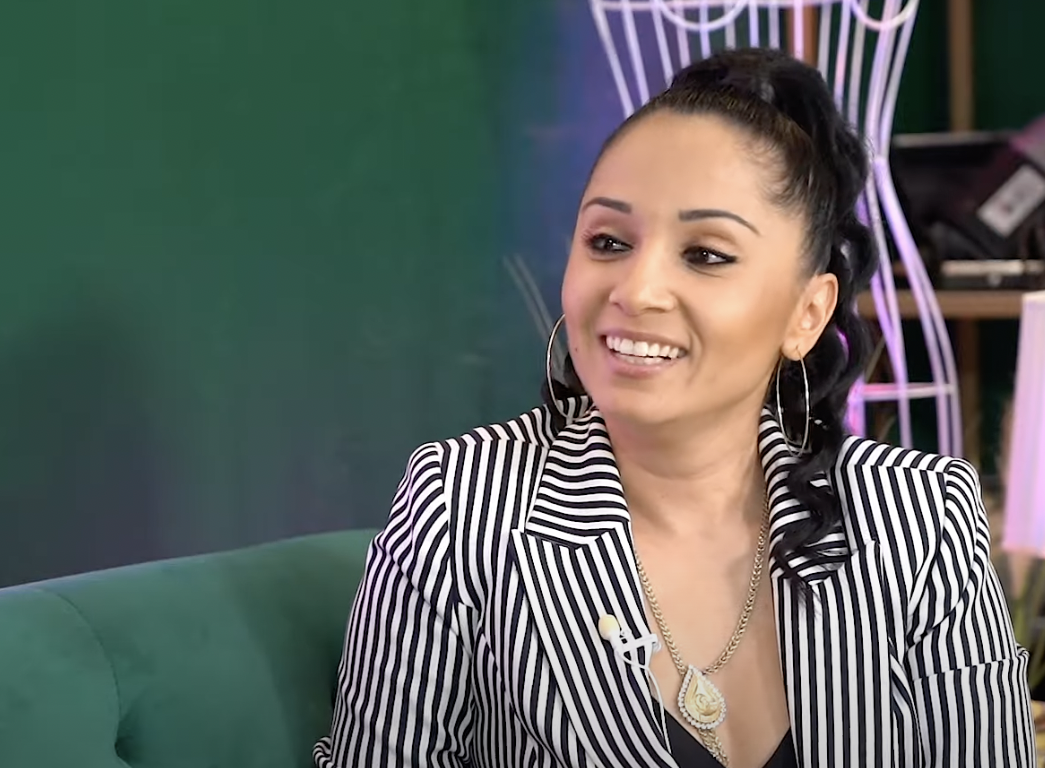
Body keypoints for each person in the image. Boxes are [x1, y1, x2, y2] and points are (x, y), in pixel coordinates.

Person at [312, 47, 1035, 768]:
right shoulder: (463, 508)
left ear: (807, 314)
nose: (636, 290)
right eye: (608, 242)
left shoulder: (922, 520)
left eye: (706, 254)